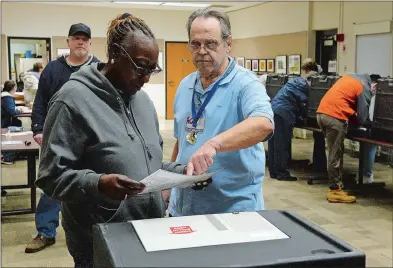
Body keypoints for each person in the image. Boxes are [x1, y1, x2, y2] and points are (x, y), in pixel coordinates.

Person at [35, 13, 208, 267]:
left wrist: (184, 173)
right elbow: (50, 177)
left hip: (148, 233)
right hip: (99, 239)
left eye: (152, 69)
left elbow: (150, 166)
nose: (146, 78)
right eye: (140, 67)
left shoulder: (144, 102)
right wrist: (99, 184)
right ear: (115, 53)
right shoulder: (72, 100)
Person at [167, 8, 274, 217]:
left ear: (228, 44)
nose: (202, 50)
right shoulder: (185, 85)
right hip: (183, 208)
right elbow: (182, 142)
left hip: (231, 211)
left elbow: (263, 123)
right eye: (195, 44)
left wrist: (214, 144)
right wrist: (170, 185)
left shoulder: (246, 84)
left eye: (211, 43)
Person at [26, 23, 100, 254]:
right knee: (52, 183)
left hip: (90, 139)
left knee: (91, 184)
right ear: (68, 42)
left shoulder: (98, 67)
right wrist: (38, 128)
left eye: (85, 39)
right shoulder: (53, 69)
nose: (81, 42)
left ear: (90, 42)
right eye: (76, 38)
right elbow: (40, 101)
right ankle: (46, 232)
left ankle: (94, 229)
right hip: (56, 138)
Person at [316, 73, 380, 203]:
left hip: (322, 114)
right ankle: (334, 191)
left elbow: (346, 104)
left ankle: (338, 186)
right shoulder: (364, 86)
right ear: (374, 85)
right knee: (335, 154)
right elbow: (363, 115)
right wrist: (369, 125)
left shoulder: (349, 78)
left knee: (336, 151)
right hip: (334, 117)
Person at [268, 58, 319, 181]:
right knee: (283, 143)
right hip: (284, 112)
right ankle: (281, 173)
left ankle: (274, 171)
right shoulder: (305, 85)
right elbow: (304, 104)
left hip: (274, 109)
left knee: (274, 142)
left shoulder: (295, 81)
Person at [1, 80, 23, 165]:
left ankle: (13, 153)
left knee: (17, 122)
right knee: (15, 127)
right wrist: (19, 111)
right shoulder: (7, 97)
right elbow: (11, 111)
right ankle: (8, 157)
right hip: (4, 123)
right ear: (14, 88)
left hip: (3, 120)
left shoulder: (4, 96)